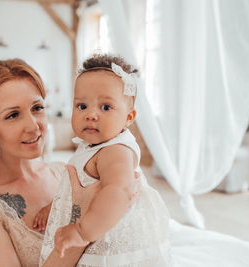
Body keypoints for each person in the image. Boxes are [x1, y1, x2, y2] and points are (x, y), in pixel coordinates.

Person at [0, 58, 100, 267]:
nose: (34, 127)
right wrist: (86, 222)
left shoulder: (65, 171)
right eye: (13, 115)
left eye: (37, 108)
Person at [39, 54, 172, 266]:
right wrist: (56, 208)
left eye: (106, 107)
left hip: (109, 237)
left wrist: (83, 232)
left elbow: (120, 190)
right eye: (82, 106)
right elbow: (77, 188)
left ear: (128, 118)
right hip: (96, 223)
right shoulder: (92, 147)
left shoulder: (115, 150)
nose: (91, 114)